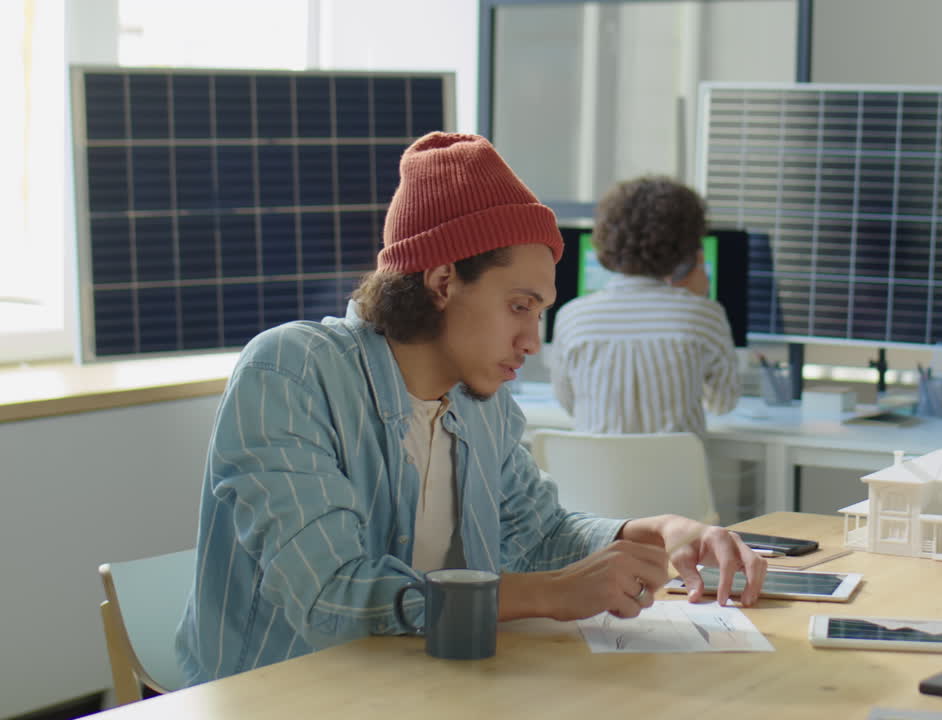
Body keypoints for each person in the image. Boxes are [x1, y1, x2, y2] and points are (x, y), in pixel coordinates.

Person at [175, 133, 765, 685]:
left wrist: (653, 532)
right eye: (519, 306)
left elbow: (538, 535)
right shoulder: (291, 372)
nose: (532, 342)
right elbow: (332, 599)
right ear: (442, 282)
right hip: (286, 697)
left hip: (416, 688)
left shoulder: (482, 403)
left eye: (540, 313)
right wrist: (549, 593)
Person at [549, 176, 741, 434]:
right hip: (676, 462)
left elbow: (569, 402)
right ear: (688, 248)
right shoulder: (704, 316)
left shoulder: (571, 317)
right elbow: (723, 404)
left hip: (593, 462)